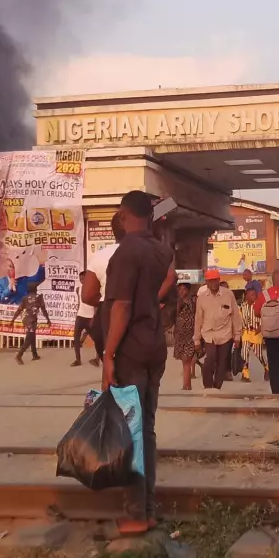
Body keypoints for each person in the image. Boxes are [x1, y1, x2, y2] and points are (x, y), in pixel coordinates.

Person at [102, 190, 176, 536]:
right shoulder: (161, 250)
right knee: (146, 429)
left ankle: (134, 515)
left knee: (130, 432)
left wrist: (108, 354)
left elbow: (121, 307)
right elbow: (163, 281)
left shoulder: (126, 252)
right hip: (156, 346)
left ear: (123, 213)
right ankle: (147, 509)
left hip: (131, 349)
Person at [82, 213, 125, 367]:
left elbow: (87, 296)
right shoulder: (148, 251)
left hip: (107, 311)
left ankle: (109, 388)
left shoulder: (100, 256)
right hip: (140, 313)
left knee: (110, 366)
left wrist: (104, 301)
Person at [193, 270, 242, 389]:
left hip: (225, 334)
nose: (214, 283)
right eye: (211, 281)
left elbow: (235, 315)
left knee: (222, 363)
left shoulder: (228, 294)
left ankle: (217, 387)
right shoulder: (202, 297)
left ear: (219, 280)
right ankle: (208, 386)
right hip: (209, 334)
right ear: (207, 282)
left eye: (216, 280)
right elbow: (198, 319)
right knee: (210, 359)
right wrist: (197, 339)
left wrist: (237, 336)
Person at [11, 282, 51, 364]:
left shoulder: (25, 298)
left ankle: (35, 355)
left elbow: (19, 310)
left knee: (32, 336)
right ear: (35, 289)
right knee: (29, 338)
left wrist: (13, 320)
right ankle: (19, 355)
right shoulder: (39, 297)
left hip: (26, 319)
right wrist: (48, 319)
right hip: (31, 320)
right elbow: (43, 309)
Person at [240, 281, 267, 381]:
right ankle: (245, 374)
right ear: (246, 295)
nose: (253, 296)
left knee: (259, 354)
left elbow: (264, 319)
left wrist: (260, 329)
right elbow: (241, 320)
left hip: (257, 332)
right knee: (244, 353)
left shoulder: (259, 306)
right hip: (246, 332)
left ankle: (266, 368)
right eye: (251, 294)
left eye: (254, 294)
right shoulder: (243, 306)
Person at [173, 283, 197, 390]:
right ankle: (187, 385)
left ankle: (186, 385)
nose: (181, 292)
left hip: (191, 334)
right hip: (180, 334)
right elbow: (174, 316)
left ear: (188, 290)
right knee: (184, 360)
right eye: (179, 290)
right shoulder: (177, 302)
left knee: (187, 358)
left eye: (183, 289)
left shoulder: (194, 302)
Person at [72, 271, 94, 366]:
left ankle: (98, 359)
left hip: (90, 317)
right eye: (80, 279)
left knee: (97, 339)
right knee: (75, 337)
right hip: (80, 316)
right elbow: (79, 303)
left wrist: (95, 317)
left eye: (83, 279)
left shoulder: (94, 289)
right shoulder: (78, 289)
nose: (82, 281)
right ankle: (78, 360)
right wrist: (77, 313)